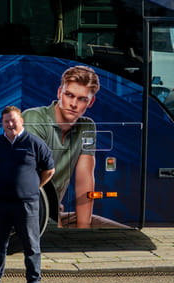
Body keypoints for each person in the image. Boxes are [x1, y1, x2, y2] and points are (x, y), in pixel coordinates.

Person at [22, 65, 124, 229]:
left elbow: (84, 179)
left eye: (82, 99)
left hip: (52, 212)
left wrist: (83, 231)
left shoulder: (87, 127)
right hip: (28, 208)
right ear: (59, 93)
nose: (73, 104)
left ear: (90, 102)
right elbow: (31, 178)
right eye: (69, 95)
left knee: (117, 231)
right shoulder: (34, 118)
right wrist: (58, 228)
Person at [0, 106, 55, 283]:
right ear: (2, 124)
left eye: (13, 120)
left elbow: (49, 170)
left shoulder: (34, 143)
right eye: (6, 121)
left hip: (27, 204)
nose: (10, 124)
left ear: (21, 121)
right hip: (1, 203)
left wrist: (34, 186)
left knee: (31, 245)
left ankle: (34, 282)